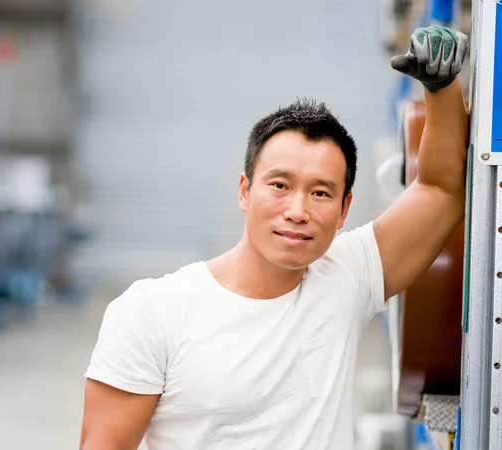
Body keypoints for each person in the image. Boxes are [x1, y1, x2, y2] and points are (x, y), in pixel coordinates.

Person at [80, 25, 469, 450]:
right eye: (280, 185)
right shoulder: (151, 312)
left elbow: (439, 189)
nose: (298, 211)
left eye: (320, 193)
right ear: (245, 191)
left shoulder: (348, 277)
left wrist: (442, 87)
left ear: (343, 210)